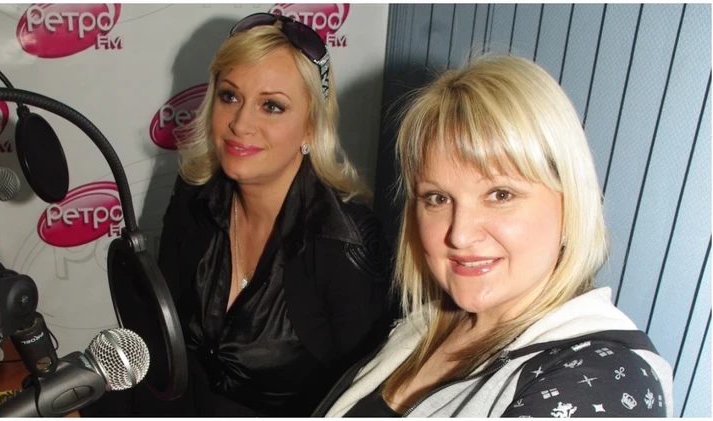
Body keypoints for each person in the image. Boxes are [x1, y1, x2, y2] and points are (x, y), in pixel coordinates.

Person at [314, 55, 673, 417]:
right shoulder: (424, 327)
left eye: (500, 194)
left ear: (571, 205)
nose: (460, 235)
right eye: (437, 198)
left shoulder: (604, 379)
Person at [82, 12, 395, 417]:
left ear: (310, 127)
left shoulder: (347, 243)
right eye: (230, 96)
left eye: (272, 106)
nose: (241, 123)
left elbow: (365, 403)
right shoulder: (195, 195)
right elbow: (163, 349)